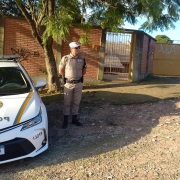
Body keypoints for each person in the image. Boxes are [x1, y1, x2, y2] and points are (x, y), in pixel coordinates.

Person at [59, 42, 87, 129]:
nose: (78, 49)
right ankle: (65, 120)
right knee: (67, 102)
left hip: (78, 83)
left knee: (76, 102)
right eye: (76, 48)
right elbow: (61, 70)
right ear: (71, 48)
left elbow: (84, 71)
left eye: (79, 48)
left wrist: (77, 77)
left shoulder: (82, 59)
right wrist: (68, 77)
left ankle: (74, 119)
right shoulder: (66, 58)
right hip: (68, 84)